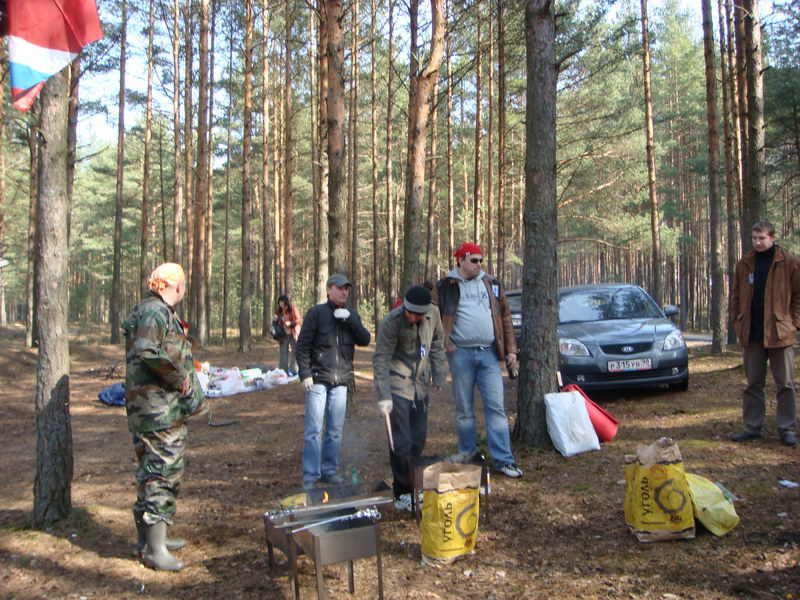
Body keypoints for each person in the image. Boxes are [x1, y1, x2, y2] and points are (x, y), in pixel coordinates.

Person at [121, 263, 207, 571]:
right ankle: (155, 549)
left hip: (149, 407)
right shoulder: (155, 311)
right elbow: (148, 350)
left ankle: (149, 540)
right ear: (177, 286)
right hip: (157, 410)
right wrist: (178, 376)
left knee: (149, 471)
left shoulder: (151, 310)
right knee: (162, 472)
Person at [432, 243, 524, 478]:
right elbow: (432, 318)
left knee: (496, 409)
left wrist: (511, 350)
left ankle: (504, 460)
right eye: (474, 260)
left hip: (489, 354)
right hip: (460, 355)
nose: (479, 264)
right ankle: (468, 459)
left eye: (481, 260)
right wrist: (443, 341)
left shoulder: (492, 284)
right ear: (460, 260)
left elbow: (505, 316)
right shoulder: (444, 286)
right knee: (464, 410)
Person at [373, 285, 446, 510]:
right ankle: (402, 492)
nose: (413, 317)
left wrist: (439, 375)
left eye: (418, 315)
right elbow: (381, 360)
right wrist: (384, 396)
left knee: (418, 439)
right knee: (401, 442)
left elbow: (437, 344)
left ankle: (415, 482)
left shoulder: (433, 314)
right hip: (397, 387)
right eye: (410, 313)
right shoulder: (391, 322)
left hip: (420, 386)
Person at [296, 273, 371, 488]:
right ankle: (311, 476)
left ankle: (329, 470)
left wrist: (351, 320)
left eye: (346, 289)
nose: (344, 292)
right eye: (339, 288)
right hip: (318, 379)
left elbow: (365, 339)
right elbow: (302, 346)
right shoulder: (317, 313)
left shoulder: (351, 315)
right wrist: (305, 373)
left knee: (335, 431)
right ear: (329, 290)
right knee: (313, 430)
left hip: (342, 381)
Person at [730, 221, 798, 447]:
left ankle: (786, 429)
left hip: (780, 333)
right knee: (753, 383)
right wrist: (738, 322)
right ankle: (752, 427)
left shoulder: (789, 262)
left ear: (772, 238)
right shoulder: (744, 264)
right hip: (752, 334)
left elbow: (799, 295)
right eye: (755, 238)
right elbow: (736, 296)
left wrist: (794, 323)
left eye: (762, 238)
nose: (758, 243)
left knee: (785, 384)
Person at [273, 294, 301, 375]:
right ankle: (283, 371)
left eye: (282, 302)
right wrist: (274, 321)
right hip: (283, 334)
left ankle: (294, 369)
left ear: (286, 302)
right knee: (283, 352)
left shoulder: (293, 309)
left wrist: (291, 323)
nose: (281, 304)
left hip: (293, 333)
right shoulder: (278, 311)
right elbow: (275, 322)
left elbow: (299, 319)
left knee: (295, 351)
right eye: (279, 302)